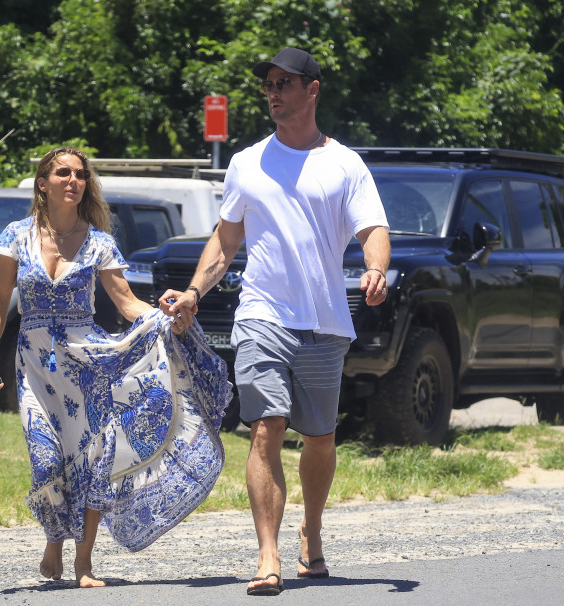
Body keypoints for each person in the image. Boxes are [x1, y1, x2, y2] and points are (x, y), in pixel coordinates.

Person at [159, 47, 391, 596]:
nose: (273, 91)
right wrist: (194, 291)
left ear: (313, 89)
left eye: (285, 82)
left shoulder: (345, 164)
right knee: (266, 428)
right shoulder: (246, 162)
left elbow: (373, 228)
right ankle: (269, 555)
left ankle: (311, 530)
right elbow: (225, 237)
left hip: (326, 321)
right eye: (269, 83)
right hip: (262, 314)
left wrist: (377, 268)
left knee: (321, 438)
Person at [0, 146, 230, 588]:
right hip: (35, 365)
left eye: (80, 174)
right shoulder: (16, 235)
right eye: (63, 173)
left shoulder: (99, 242)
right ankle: (54, 539)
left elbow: (127, 303)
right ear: (43, 183)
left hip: (88, 364)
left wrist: (164, 317)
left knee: (93, 459)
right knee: (45, 460)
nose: (73, 180)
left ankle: (84, 562)